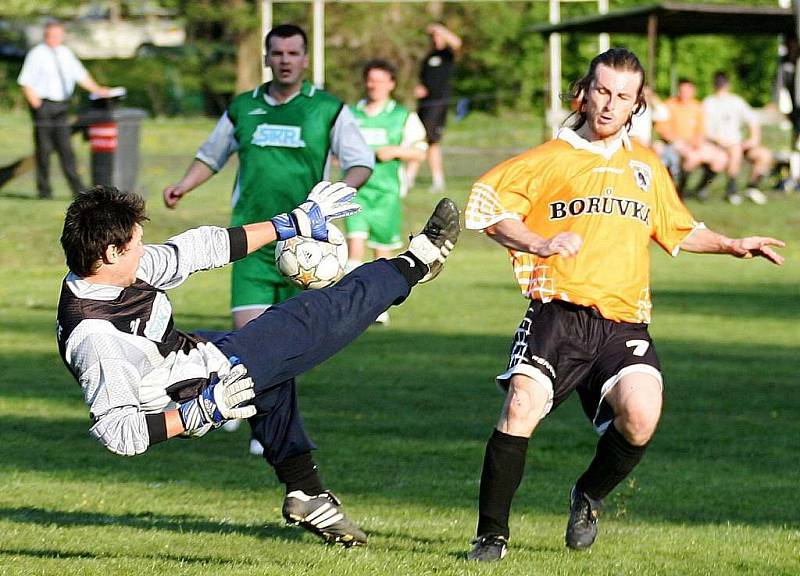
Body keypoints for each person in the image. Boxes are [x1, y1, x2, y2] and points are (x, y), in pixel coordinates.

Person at [463, 48, 784, 562]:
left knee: (641, 416)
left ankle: (587, 496)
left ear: (636, 104)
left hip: (623, 323)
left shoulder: (646, 165)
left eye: (623, 96)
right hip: (558, 314)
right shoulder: (549, 158)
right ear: (584, 92)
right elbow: (486, 207)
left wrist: (731, 244)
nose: (611, 104)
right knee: (520, 407)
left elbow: (678, 229)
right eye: (603, 91)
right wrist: (538, 243)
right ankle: (491, 537)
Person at [57, 183, 460, 547]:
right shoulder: (97, 341)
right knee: (310, 317)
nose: (144, 250)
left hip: (189, 358)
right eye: (137, 243)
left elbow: (202, 248)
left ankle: (306, 494)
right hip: (195, 390)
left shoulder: (108, 271)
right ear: (111, 252)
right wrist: (205, 409)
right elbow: (118, 433)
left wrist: (294, 222)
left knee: (273, 374)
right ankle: (416, 262)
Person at [162, 24, 373, 461]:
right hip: (251, 243)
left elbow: (360, 163)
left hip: (308, 247)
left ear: (305, 58)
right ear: (266, 57)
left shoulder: (328, 110)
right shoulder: (243, 108)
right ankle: (252, 416)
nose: (285, 60)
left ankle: (262, 422)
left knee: (287, 346)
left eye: (293, 52)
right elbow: (211, 155)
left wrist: (336, 196)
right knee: (251, 341)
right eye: (277, 52)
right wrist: (184, 186)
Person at [347, 59, 428, 325]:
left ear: (391, 84)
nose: (374, 86)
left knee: (382, 253)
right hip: (356, 191)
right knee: (354, 246)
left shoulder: (402, 116)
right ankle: (350, 303)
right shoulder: (351, 113)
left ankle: (378, 305)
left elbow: (420, 151)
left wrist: (394, 151)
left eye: (380, 81)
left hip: (386, 193)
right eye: (371, 80)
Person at [17, 19, 111, 199]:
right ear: (46, 36)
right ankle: (44, 190)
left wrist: (98, 89)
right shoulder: (37, 54)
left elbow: (81, 76)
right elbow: (25, 82)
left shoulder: (66, 53)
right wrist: (37, 105)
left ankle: (78, 190)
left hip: (61, 106)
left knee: (66, 149)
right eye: (52, 35)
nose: (55, 39)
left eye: (58, 35)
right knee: (43, 150)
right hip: (43, 106)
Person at [405, 22, 462, 194]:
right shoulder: (428, 57)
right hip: (424, 104)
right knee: (428, 141)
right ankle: (434, 179)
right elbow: (423, 81)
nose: (436, 39)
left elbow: (458, 43)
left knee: (426, 139)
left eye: (439, 35)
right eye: (434, 36)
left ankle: (409, 177)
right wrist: (419, 89)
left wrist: (439, 28)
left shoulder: (448, 55)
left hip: (439, 104)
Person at [703, 71, 773, 205]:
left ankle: (752, 187)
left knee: (764, 155)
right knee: (735, 151)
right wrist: (719, 141)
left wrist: (754, 138)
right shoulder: (709, 103)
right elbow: (706, 131)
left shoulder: (735, 101)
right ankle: (731, 189)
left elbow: (753, 119)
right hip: (719, 145)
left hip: (738, 143)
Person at [654, 78, 727, 199]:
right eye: (682, 91)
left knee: (721, 158)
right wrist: (681, 142)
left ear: (693, 91)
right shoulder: (669, 105)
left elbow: (701, 130)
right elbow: (663, 130)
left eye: (688, 91)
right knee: (691, 158)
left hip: (694, 143)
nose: (685, 94)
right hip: (675, 143)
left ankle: (700, 189)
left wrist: (697, 141)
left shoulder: (697, 107)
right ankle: (680, 190)